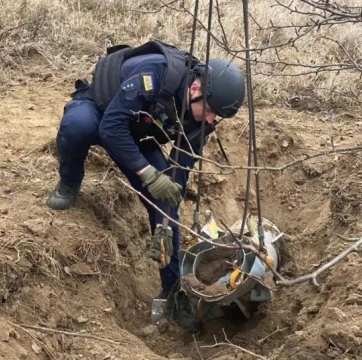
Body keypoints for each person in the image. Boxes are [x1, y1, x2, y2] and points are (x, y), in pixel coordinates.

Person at [46, 40, 246, 329]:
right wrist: (148, 173)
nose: (213, 120)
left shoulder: (204, 114)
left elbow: (181, 165)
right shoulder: (156, 74)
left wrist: (165, 217)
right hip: (102, 111)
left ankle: (173, 294)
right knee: (77, 127)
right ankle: (69, 183)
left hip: (139, 131)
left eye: (218, 117)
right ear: (195, 89)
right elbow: (111, 128)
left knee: (166, 207)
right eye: (212, 111)